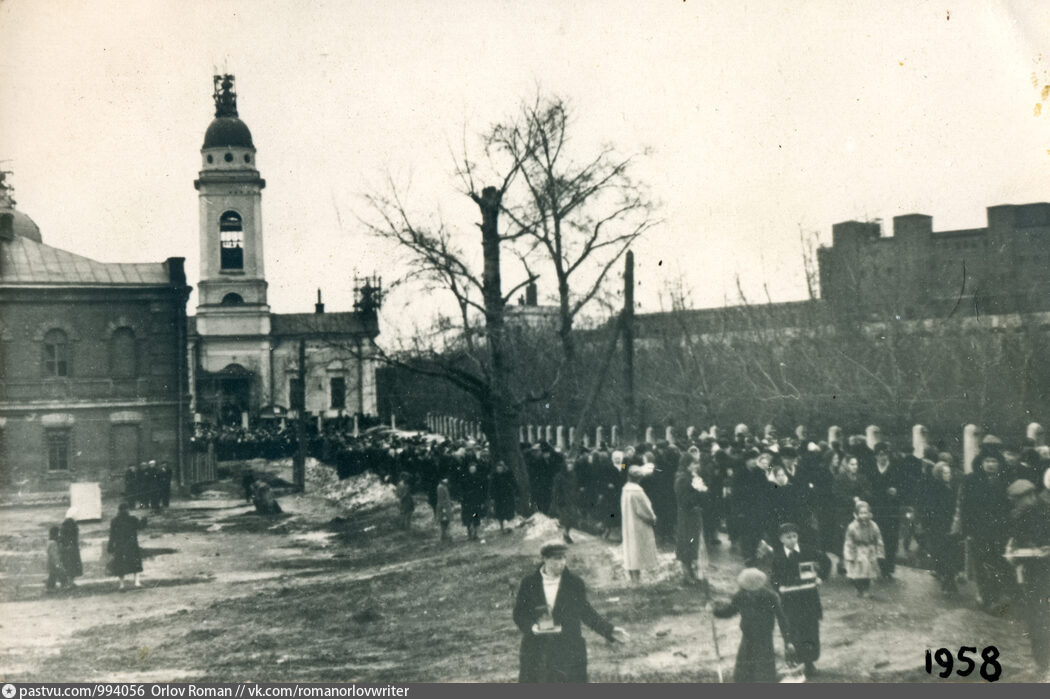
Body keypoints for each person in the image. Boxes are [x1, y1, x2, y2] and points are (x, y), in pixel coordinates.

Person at [512, 540, 628, 682]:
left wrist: (609, 630)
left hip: (569, 647)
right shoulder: (529, 583)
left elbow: (586, 612)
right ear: (545, 559)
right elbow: (519, 614)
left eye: (563, 558)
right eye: (556, 558)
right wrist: (531, 627)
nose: (561, 562)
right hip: (538, 648)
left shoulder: (574, 583)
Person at [712, 568, 794, 683]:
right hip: (748, 636)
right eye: (747, 589)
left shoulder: (771, 597)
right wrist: (714, 611)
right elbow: (729, 611)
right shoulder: (740, 595)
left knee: (764, 674)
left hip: (764, 637)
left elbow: (782, 619)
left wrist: (788, 640)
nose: (750, 591)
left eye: (752, 589)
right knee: (743, 674)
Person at [1003, 479, 1050, 680]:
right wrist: (1012, 553)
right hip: (1033, 572)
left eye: (1019, 501)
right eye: (1014, 501)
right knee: (1037, 618)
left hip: (1044, 570)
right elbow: (1015, 542)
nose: (1016, 505)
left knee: (1040, 617)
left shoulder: (1044, 511)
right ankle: (1043, 663)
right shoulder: (1020, 514)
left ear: (1030, 496)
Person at [957, 448, 1014, 611]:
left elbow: (1009, 506)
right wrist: (967, 531)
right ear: (981, 463)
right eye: (987, 461)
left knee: (998, 563)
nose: (990, 465)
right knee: (981, 564)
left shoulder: (1005, 480)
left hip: (1000, 531)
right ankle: (984, 595)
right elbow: (965, 507)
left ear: (999, 464)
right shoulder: (971, 480)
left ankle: (995, 595)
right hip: (978, 531)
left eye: (994, 461)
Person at [770, 523, 823, 677]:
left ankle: (809, 663)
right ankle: (794, 663)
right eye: (788, 537)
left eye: (794, 536)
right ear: (781, 539)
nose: (792, 540)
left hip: (809, 599)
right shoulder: (777, 556)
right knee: (792, 631)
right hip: (789, 601)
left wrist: (820, 577)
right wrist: (778, 587)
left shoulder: (808, 551)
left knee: (810, 630)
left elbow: (825, 562)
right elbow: (773, 577)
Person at [673, 455, 708, 586]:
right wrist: (698, 491)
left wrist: (701, 491)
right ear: (687, 464)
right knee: (687, 544)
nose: (696, 466)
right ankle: (687, 574)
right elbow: (685, 500)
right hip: (687, 516)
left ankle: (691, 572)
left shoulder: (691, 477)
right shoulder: (683, 479)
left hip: (692, 515)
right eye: (694, 464)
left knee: (692, 544)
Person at [621, 464, 658, 583]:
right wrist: (652, 518)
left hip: (628, 523)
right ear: (639, 478)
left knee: (630, 550)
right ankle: (636, 580)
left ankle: (633, 577)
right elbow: (644, 509)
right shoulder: (637, 491)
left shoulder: (625, 489)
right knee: (637, 550)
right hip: (638, 525)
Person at [843, 500, 884, 598]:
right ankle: (859, 589)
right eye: (861, 513)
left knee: (868, 573)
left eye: (865, 513)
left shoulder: (873, 526)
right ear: (857, 514)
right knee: (857, 573)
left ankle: (866, 590)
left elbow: (878, 539)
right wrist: (849, 555)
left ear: (869, 513)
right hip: (858, 551)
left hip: (870, 551)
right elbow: (849, 541)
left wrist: (880, 553)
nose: (864, 515)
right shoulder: (852, 527)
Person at [107, 502, 144, 590]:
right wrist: (144, 520)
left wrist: (110, 547)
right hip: (132, 545)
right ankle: (137, 582)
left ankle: (122, 585)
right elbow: (141, 526)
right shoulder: (132, 519)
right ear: (127, 510)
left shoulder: (114, 521)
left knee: (120, 566)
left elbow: (112, 535)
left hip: (120, 546)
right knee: (136, 564)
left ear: (118, 511)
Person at [551, 459, 583, 544]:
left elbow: (576, 487)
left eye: (572, 465)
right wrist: (558, 500)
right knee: (566, 518)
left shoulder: (573, 475)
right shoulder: (559, 477)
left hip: (572, 500)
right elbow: (556, 490)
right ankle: (565, 534)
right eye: (568, 465)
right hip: (563, 501)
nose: (570, 467)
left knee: (573, 517)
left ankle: (566, 533)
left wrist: (577, 495)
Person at [459, 463, 488, 541]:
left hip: (476, 501)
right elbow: (461, 489)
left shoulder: (479, 478)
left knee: (475, 516)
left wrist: (482, 500)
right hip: (467, 502)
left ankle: (475, 533)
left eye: (474, 468)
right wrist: (462, 497)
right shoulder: (464, 478)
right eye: (471, 468)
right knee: (468, 518)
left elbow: (482, 490)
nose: (472, 470)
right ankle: (469, 533)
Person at [489, 461, 517, 533]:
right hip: (498, 497)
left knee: (509, 511)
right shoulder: (494, 476)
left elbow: (514, 483)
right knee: (499, 513)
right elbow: (491, 487)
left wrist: (516, 492)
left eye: (500, 468)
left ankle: (509, 526)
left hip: (508, 496)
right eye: (498, 468)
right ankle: (502, 527)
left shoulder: (508, 474)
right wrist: (492, 497)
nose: (499, 469)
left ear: (503, 468)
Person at [58, 509, 83, 587]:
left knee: (69, 565)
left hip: (68, 547)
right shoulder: (71, 524)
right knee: (72, 565)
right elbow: (70, 537)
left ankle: (69, 582)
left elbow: (62, 537)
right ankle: (70, 582)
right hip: (71, 548)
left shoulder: (66, 524)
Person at [45, 526, 70, 593]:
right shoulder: (53, 543)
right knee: (58, 573)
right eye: (58, 534)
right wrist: (58, 564)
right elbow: (54, 555)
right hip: (54, 562)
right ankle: (63, 586)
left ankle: (50, 587)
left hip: (50, 562)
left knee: (53, 575)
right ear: (55, 534)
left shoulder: (49, 542)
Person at [435, 476, 453, 542]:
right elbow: (441, 499)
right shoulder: (440, 487)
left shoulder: (444, 486)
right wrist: (443, 509)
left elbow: (446, 497)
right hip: (443, 507)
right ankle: (444, 536)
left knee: (446, 521)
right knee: (444, 521)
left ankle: (445, 536)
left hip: (446, 506)